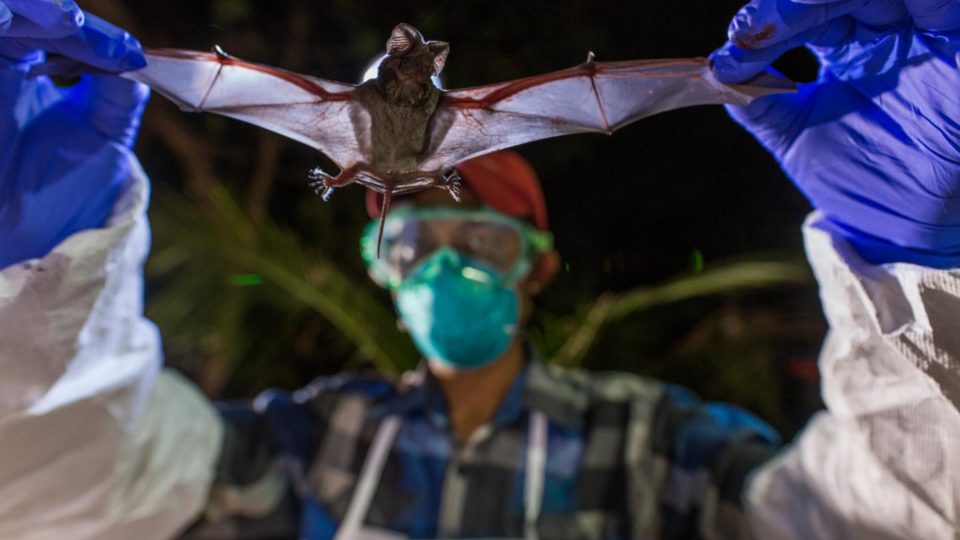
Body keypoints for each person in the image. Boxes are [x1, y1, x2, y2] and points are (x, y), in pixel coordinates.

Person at [0, 0, 958, 538]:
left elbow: (869, 519)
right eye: (415, 245)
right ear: (381, 264)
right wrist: (28, 300)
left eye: (486, 240)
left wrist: (927, 274)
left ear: (535, 267)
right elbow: (82, 486)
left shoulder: (660, 446)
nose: (449, 263)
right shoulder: (285, 446)